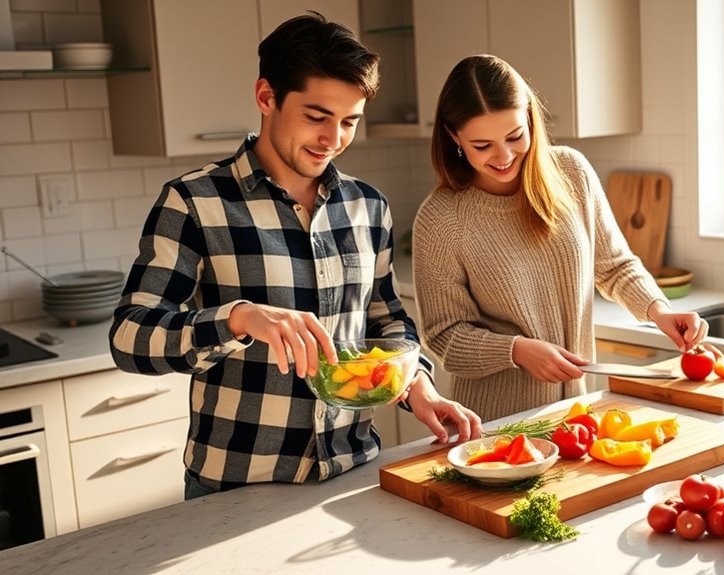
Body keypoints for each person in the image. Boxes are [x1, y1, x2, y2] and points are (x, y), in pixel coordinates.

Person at [109, 13, 482, 499]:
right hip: (237, 485)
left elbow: (387, 322)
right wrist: (239, 319)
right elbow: (130, 336)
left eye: (349, 122)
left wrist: (418, 386)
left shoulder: (367, 207)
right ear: (266, 97)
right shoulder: (195, 202)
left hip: (354, 474)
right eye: (316, 117)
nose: (333, 140)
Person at [412, 55, 709, 422]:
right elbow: (445, 337)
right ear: (454, 137)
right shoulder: (440, 219)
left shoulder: (571, 172)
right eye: (482, 145)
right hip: (495, 425)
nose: (504, 156)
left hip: (574, 414)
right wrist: (516, 350)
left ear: (531, 120)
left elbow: (614, 266)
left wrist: (658, 310)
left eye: (515, 136)